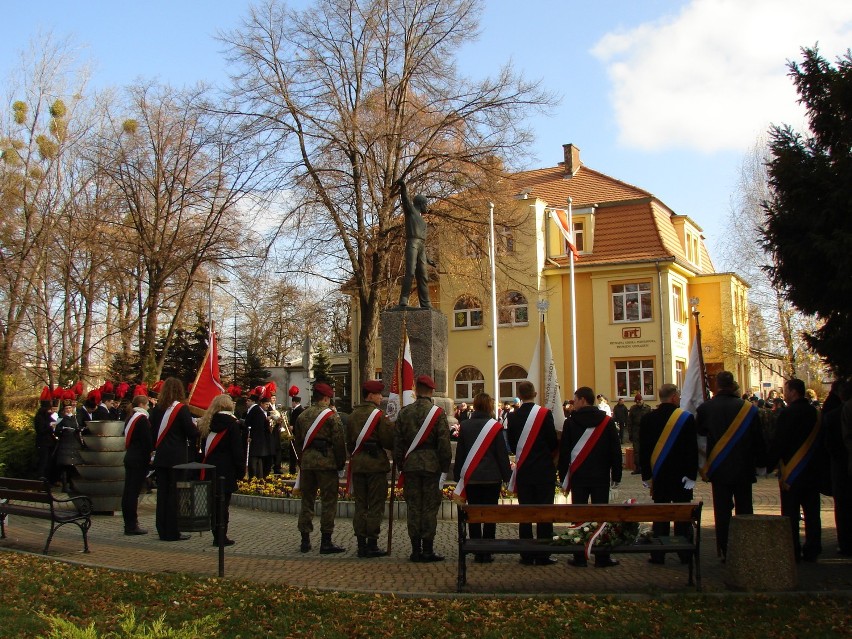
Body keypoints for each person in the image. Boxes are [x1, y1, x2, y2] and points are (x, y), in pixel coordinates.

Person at [696, 370, 766, 560]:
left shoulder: (705, 409)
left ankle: (725, 549)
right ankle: (746, 548)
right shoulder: (748, 409)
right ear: (733, 384)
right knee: (745, 509)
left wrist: (702, 466)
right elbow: (758, 439)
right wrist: (761, 464)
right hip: (744, 467)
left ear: (717, 385)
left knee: (722, 511)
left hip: (719, 468)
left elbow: (700, 438)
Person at [559, 386, 622, 568]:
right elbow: (615, 451)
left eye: (575, 399)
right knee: (601, 515)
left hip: (579, 476)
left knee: (578, 515)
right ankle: (602, 557)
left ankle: (579, 556)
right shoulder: (606, 421)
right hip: (601, 476)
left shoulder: (570, 423)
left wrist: (563, 477)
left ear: (583, 400)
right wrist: (616, 474)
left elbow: (565, 453)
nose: (573, 403)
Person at [394, 374, 452, 562]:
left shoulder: (404, 412)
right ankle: (427, 549)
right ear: (432, 391)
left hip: (411, 465)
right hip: (431, 465)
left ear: (416, 390)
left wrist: (401, 464)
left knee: (413, 507)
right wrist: (444, 466)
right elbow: (444, 443)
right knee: (428, 508)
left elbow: (398, 443)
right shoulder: (438, 413)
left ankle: (415, 549)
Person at [639, 384, 698, 564]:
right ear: (673, 397)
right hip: (681, 476)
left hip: (660, 475)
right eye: (678, 396)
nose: (679, 399)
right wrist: (691, 475)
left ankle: (658, 554)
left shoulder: (648, 419)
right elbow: (691, 449)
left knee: (661, 515)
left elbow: (644, 450)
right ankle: (684, 554)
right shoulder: (686, 419)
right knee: (681, 516)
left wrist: (647, 475)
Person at [769, 378, 824, 561]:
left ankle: (793, 549)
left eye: (786, 390)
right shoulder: (816, 413)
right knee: (812, 513)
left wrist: (770, 463)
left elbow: (779, 442)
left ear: (793, 392)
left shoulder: (787, 414)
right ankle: (813, 548)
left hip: (791, 473)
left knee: (791, 514)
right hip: (812, 470)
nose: (784, 394)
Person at [453, 392, 511, 563]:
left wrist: (458, 475)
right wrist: (507, 475)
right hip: (492, 477)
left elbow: (461, 453)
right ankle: (488, 549)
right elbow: (501, 454)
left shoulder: (465, 425)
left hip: (472, 477)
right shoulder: (494, 426)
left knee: (474, 514)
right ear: (490, 406)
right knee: (490, 514)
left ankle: (477, 548)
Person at [506, 380, 559, 566]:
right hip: (544, 470)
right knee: (545, 511)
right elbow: (553, 441)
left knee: (525, 512)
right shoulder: (545, 414)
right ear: (535, 393)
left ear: (519, 395)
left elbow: (512, 445)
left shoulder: (512, 417)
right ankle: (544, 554)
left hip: (525, 471)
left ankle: (526, 554)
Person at [294, 382, 347, 554]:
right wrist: (340, 463)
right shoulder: (331, 416)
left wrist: (301, 460)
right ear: (326, 398)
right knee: (328, 501)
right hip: (327, 463)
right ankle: (326, 541)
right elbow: (339, 442)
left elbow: (298, 441)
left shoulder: (302, 416)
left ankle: (305, 540)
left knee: (307, 500)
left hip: (308, 464)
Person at [346, 380, 394, 558]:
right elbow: (388, 441)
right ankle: (372, 544)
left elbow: (350, 443)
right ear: (371, 395)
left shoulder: (352, 415)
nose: (381, 397)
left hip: (358, 465)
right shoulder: (379, 416)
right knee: (375, 505)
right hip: (375, 467)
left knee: (360, 505)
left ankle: (360, 543)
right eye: (379, 394)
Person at [149, 377, 199, 542]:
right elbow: (191, 433)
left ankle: (162, 528)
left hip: (161, 456)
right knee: (174, 495)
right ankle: (172, 531)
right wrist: (197, 426)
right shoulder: (181, 409)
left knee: (162, 494)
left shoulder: (156, 409)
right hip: (176, 457)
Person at [198, 393, 244, 546]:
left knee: (214, 503)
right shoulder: (232, 424)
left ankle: (215, 534)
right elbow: (237, 450)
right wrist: (240, 471)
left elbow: (204, 448)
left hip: (210, 468)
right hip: (227, 469)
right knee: (224, 505)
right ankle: (221, 536)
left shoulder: (208, 422)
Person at [395, 178, 436, 308]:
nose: (427, 207)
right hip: (412, 243)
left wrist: (428, 259)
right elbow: (406, 199)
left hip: (421, 246)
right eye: (426, 204)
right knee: (411, 272)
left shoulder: (423, 221)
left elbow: (422, 243)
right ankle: (403, 299)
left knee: (423, 275)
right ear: (420, 204)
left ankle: (425, 302)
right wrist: (403, 186)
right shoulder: (411, 211)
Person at [823, 380, 852, 554]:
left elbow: (829, 445)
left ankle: (845, 543)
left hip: (840, 466)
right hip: (841, 463)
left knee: (842, 506)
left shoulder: (832, 415)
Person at [121, 393, 153, 535]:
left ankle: (129, 523)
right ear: (141, 405)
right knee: (132, 493)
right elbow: (147, 441)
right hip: (139, 458)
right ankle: (132, 525)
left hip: (131, 456)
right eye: (147, 404)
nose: (148, 407)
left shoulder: (130, 417)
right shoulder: (141, 419)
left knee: (129, 492)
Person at [55, 401, 84, 492]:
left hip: (75, 444)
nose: (68, 410)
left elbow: (79, 427)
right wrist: (63, 430)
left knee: (73, 467)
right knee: (65, 466)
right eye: (66, 408)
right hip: (65, 444)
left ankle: (72, 485)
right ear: (64, 410)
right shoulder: (61, 419)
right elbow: (56, 431)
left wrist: (79, 430)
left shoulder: (75, 418)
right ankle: (65, 486)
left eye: (69, 408)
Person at [244, 387, 271, 479]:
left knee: (254, 462)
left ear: (252, 401)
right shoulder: (257, 411)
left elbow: (256, 426)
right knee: (258, 462)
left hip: (255, 441)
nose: (246, 402)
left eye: (248, 401)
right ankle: (259, 479)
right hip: (259, 442)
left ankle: (254, 480)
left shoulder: (255, 410)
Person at [33, 390, 59, 481]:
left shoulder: (48, 416)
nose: (50, 411)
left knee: (49, 462)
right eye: (49, 409)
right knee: (43, 462)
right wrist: (50, 426)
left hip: (49, 442)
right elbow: (40, 430)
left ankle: (49, 479)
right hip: (43, 443)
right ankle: (41, 478)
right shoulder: (40, 417)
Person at [627, 393, 651, 475]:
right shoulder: (633, 409)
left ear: (642, 400)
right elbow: (629, 422)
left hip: (645, 431)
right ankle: (637, 467)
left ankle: (645, 467)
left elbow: (650, 421)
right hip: (636, 431)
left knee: (645, 450)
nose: (638, 402)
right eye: (637, 401)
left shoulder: (647, 408)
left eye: (639, 401)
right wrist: (630, 433)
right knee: (636, 451)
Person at [288, 392, 305, 474]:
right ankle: (292, 469)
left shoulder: (298, 410)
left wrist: (293, 427)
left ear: (295, 402)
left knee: (294, 452)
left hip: (295, 434)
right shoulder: (299, 410)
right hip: (296, 434)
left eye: (292, 402)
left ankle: (292, 469)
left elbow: (299, 422)